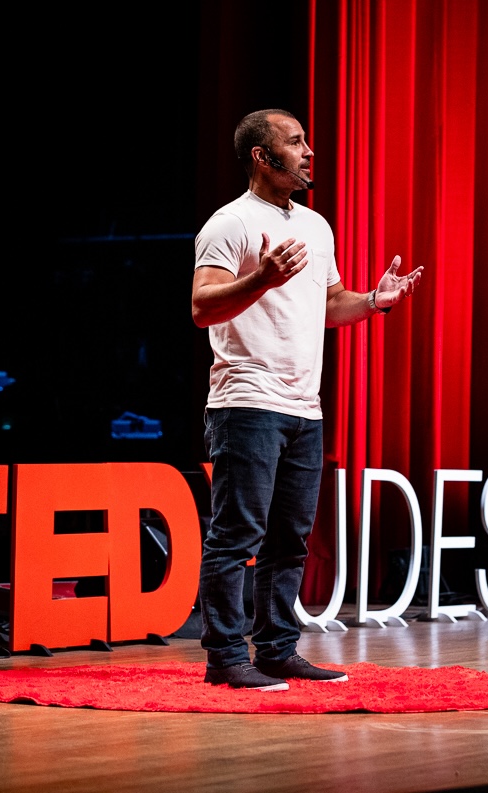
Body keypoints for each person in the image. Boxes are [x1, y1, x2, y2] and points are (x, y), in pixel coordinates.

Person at [192, 108, 424, 691]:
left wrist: (374, 301)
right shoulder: (230, 223)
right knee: (235, 538)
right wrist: (261, 279)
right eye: (295, 142)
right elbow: (202, 307)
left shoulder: (317, 227)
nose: (309, 151)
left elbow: (330, 304)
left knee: (289, 540)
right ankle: (225, 658)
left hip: (304, 407)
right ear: (262, 156)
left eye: (306, 142)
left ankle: (276, 649)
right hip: (247, 402)